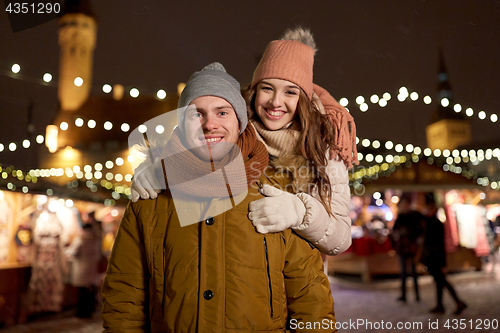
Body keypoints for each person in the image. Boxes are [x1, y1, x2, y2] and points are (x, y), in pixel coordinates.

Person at [102, 63, 336, 332]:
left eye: (222, 112)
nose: (209, 124)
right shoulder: (150, 198)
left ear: (239, 122)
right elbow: (124, 297)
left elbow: (309, 296)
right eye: (195, 114)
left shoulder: (277, 191)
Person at [131, 27, 357, 257]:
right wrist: (159, 170)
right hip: (238, 265)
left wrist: (300, 212)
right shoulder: (236, 130)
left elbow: (340, 239)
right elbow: (194, 153)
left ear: (304, 99)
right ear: (254, 90)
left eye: (290, 92)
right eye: (267, 88)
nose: (275, 102)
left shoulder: (323, 147)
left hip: (298, 274)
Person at [421, 198, 467, 315]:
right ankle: (441, 305)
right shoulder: (432, 223)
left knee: (441, 281)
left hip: (435, 258)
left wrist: (442, 262)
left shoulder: (434, 224)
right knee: (440, 282)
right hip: (435, 258)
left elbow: (439, 245)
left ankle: (458, 302)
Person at [390, 195, 424, 303]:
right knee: (403, 272)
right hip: (402, 248)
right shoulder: (400, 217)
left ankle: (417, 295)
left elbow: (419, 230)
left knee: (414, 272)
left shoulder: (414, 216)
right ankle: (404, 295)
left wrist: (410, 235)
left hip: (412, 247)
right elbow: (394, 231)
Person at [66, 222, 102, 318]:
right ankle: (89, 310)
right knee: (90, 291)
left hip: (81, 269)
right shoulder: (95, 240)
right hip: (92, 269)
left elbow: (72, 252)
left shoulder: (80, 240)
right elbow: (98, 255)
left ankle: (82, 312)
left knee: (82, 292)